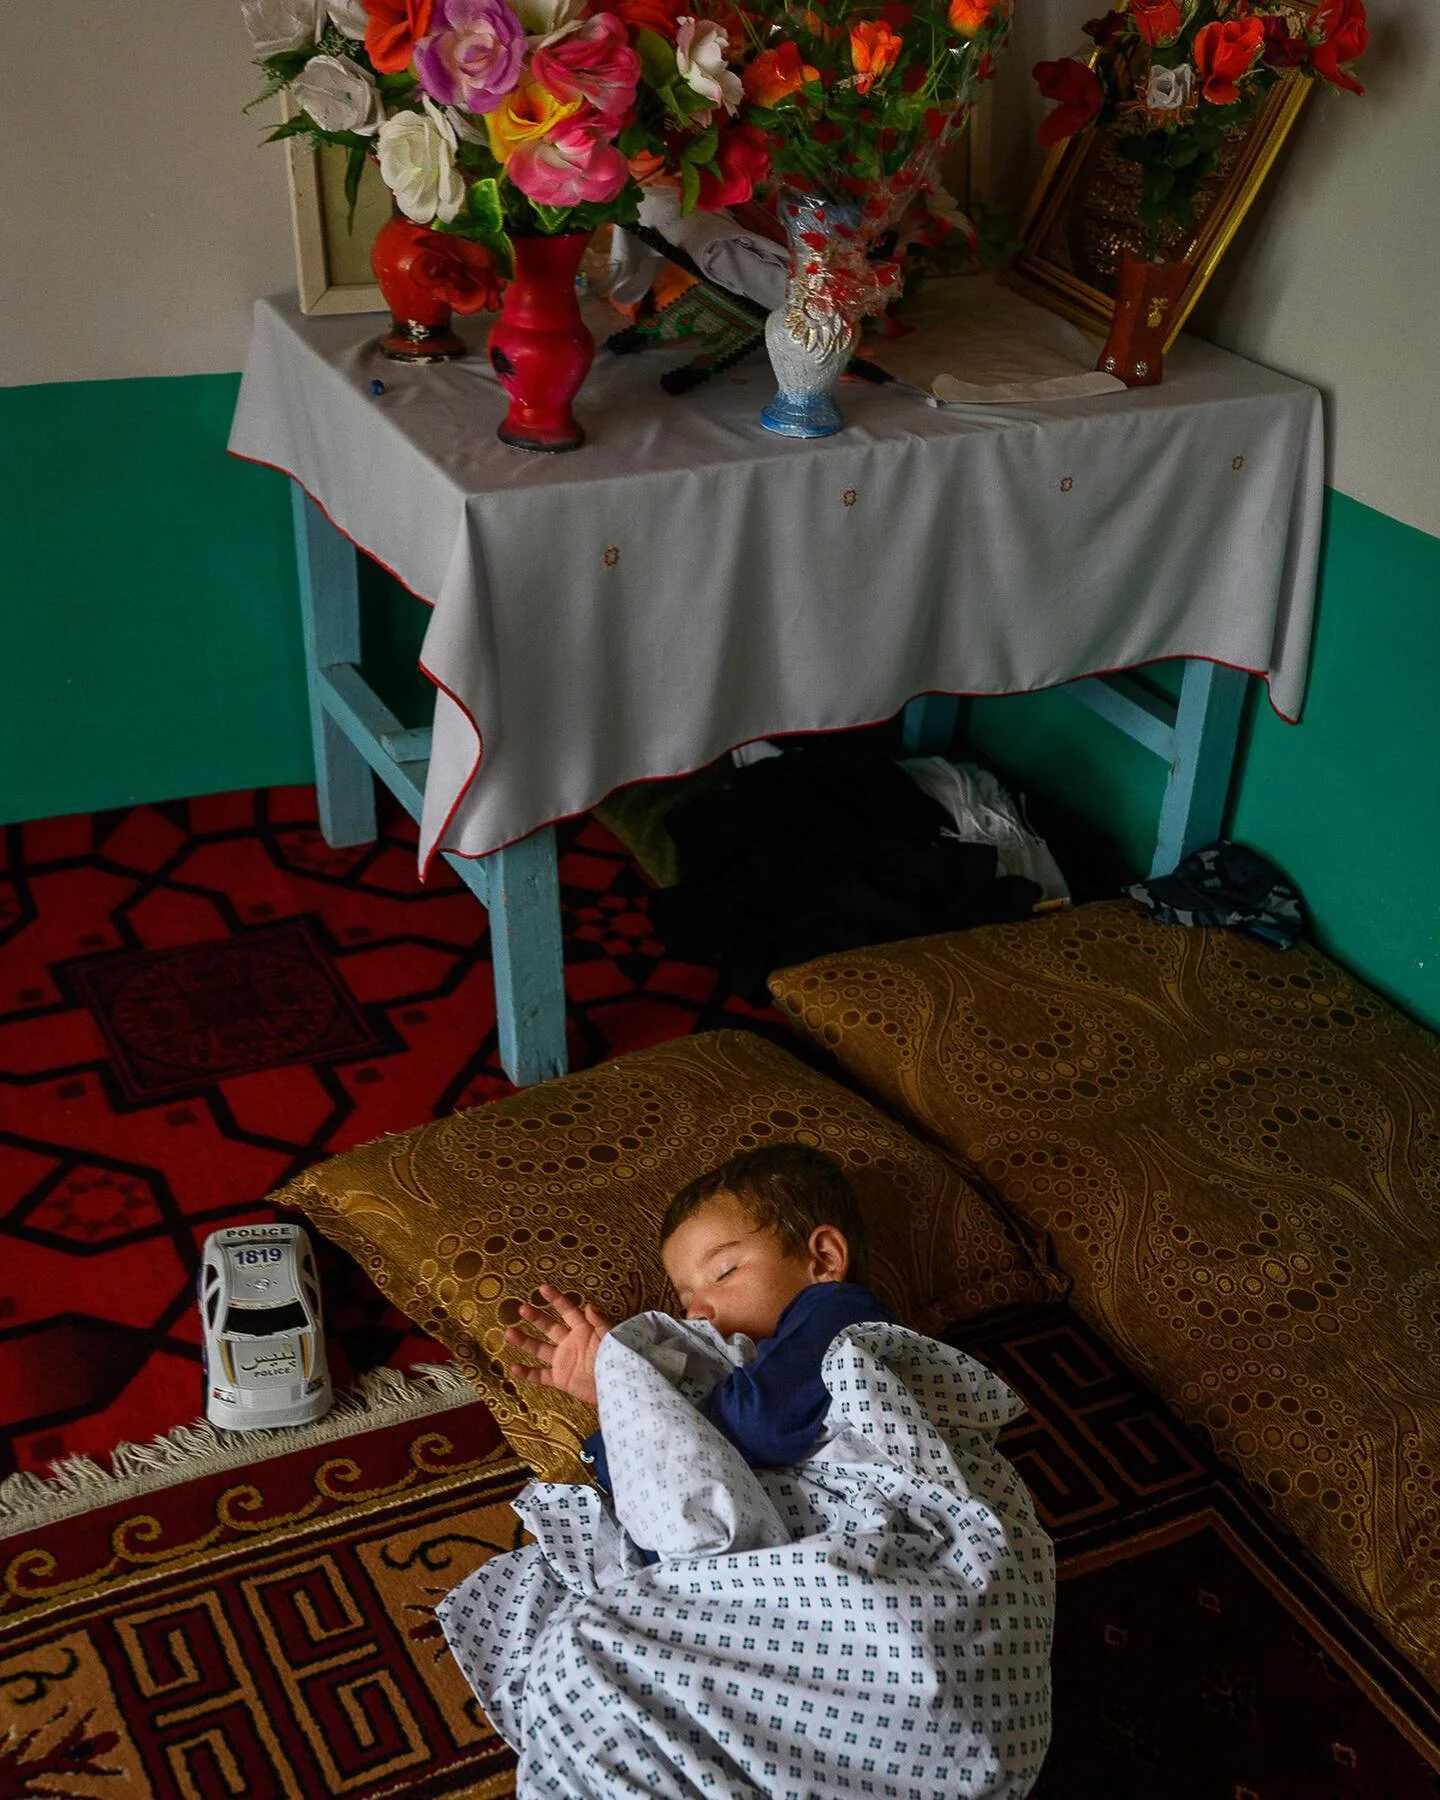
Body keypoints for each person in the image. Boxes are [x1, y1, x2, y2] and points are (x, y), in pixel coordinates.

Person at [505, 1143, 897, 1479]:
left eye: (723, 1272)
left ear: (824, 1258)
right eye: (683, 1301)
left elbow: (758, 1428)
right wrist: (615, 1392)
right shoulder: (728, 1373)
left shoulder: (840, 1315)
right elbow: (638, 1494)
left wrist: (642, 1392)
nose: (695, 1313)